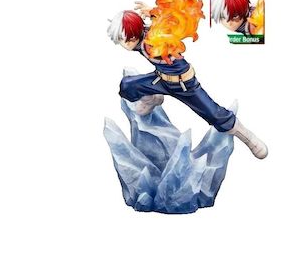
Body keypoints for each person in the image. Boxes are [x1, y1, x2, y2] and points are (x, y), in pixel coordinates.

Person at [107, 8, 268, 159]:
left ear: (134, 34)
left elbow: (172, 23)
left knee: (215, 114)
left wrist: (158, 14)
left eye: (125, 38)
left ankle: (248, 138)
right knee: (127, 86)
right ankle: (152, 99)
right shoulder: (138, 41)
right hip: (160, 80)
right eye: (120, 39)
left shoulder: (154, 39)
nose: (123, 43)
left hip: (184, 85)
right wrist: (152, 13)